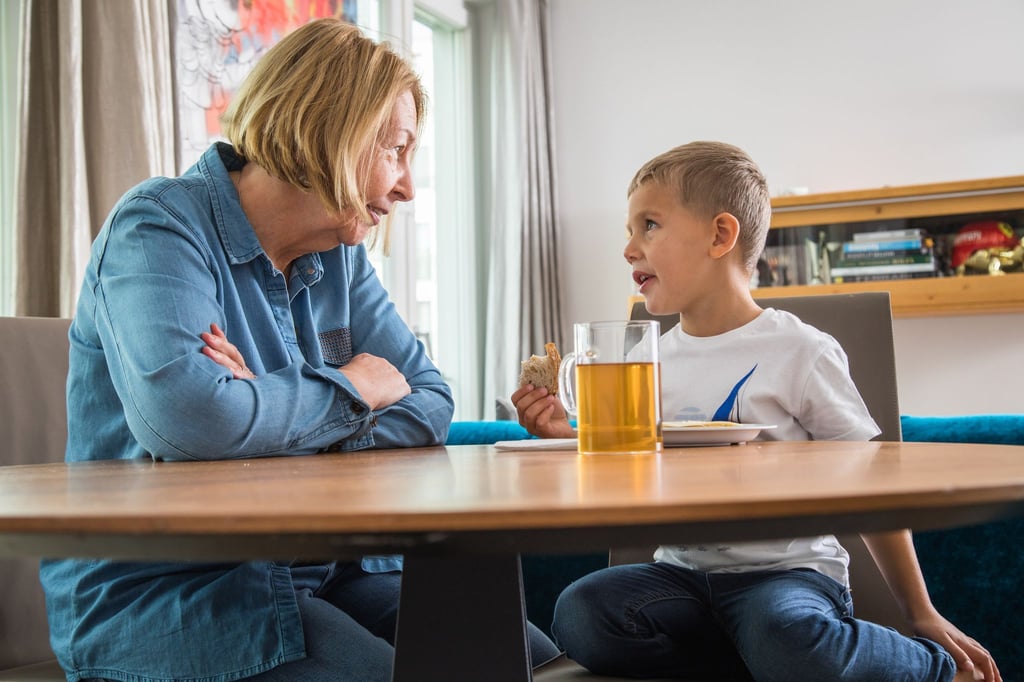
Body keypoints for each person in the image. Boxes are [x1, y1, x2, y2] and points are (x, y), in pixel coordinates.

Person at [40, 19, 556, 682]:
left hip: (325, 572)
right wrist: (354, 387)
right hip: (173, 591)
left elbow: (430, 400)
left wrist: (261, 412)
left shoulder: (340, 256)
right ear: (329, 129)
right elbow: (193, 418)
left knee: (527, 660)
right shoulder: (157, 227)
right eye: (396, 150)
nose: (406, 188)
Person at [511, 141, 1000, 681]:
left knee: (783, 632)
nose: (628, 249)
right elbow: (623, 478)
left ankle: (936, 670)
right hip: (679, 579)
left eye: (649, 225)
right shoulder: (645, 361)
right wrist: (565, 436)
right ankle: (758, 663)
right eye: (628, 230)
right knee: (583, 612)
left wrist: (920, 612)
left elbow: (873, 486)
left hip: (786, 577)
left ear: (720, 236)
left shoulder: (801, 350)